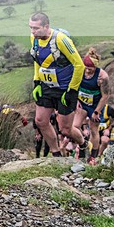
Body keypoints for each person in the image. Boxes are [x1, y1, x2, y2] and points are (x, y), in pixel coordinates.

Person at [28, 13, 86, 158]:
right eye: (30, 28)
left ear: (46, 26)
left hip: (65, 88)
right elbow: (37, 60)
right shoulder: (34, 39)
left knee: (65, 130)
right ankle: (56, 154)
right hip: (47, 86)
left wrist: (72, 90)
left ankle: (83, 143)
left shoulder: (61, 39)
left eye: (36, 28)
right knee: (40, 121)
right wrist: (37, 82)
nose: (33, 32)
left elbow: (79, 65)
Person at [70, 48, 110, 163]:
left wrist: (97, 111)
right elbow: (75, 86)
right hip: (82, 103)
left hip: (95, 105)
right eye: (86, 68)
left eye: (90, 69)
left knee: (93, 130)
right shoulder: (79, 70)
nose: (87, 71)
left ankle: (93, 156)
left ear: (95, 67)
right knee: (74, 126)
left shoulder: (102, 76)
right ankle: (83, 146)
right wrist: (76, 100)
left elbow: (105, 96)